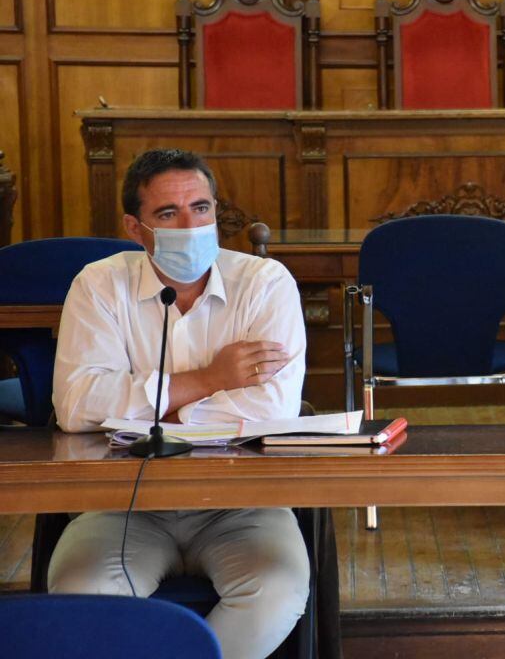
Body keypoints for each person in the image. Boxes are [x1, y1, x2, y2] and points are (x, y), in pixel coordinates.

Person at [49, 149, 310, 659]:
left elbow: (273, 411)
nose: (190, 225)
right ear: (135, 226)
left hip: (244, 505)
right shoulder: (99, 285)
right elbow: (78, 406)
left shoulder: (264, 283)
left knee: (275, 592)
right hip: (125, 502)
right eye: (168, 214)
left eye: (202, 207)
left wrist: (144, 409)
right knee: (81, 594)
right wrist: (210, 379)